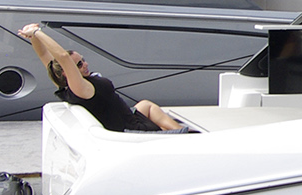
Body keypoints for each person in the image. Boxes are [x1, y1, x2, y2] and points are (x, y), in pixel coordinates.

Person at [18, 23, 185, 132]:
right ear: (66, 72)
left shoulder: (64, 85)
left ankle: (175, 130)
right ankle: (182, 135)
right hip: (130, 129)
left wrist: (33, 37)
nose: (85, 64)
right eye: (79, 65)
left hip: (128, 118)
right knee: (166, 127)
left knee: (145, 105)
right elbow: (62, 56)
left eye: (83, 60)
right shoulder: (81, 88)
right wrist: (38, 32)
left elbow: (43, 54)